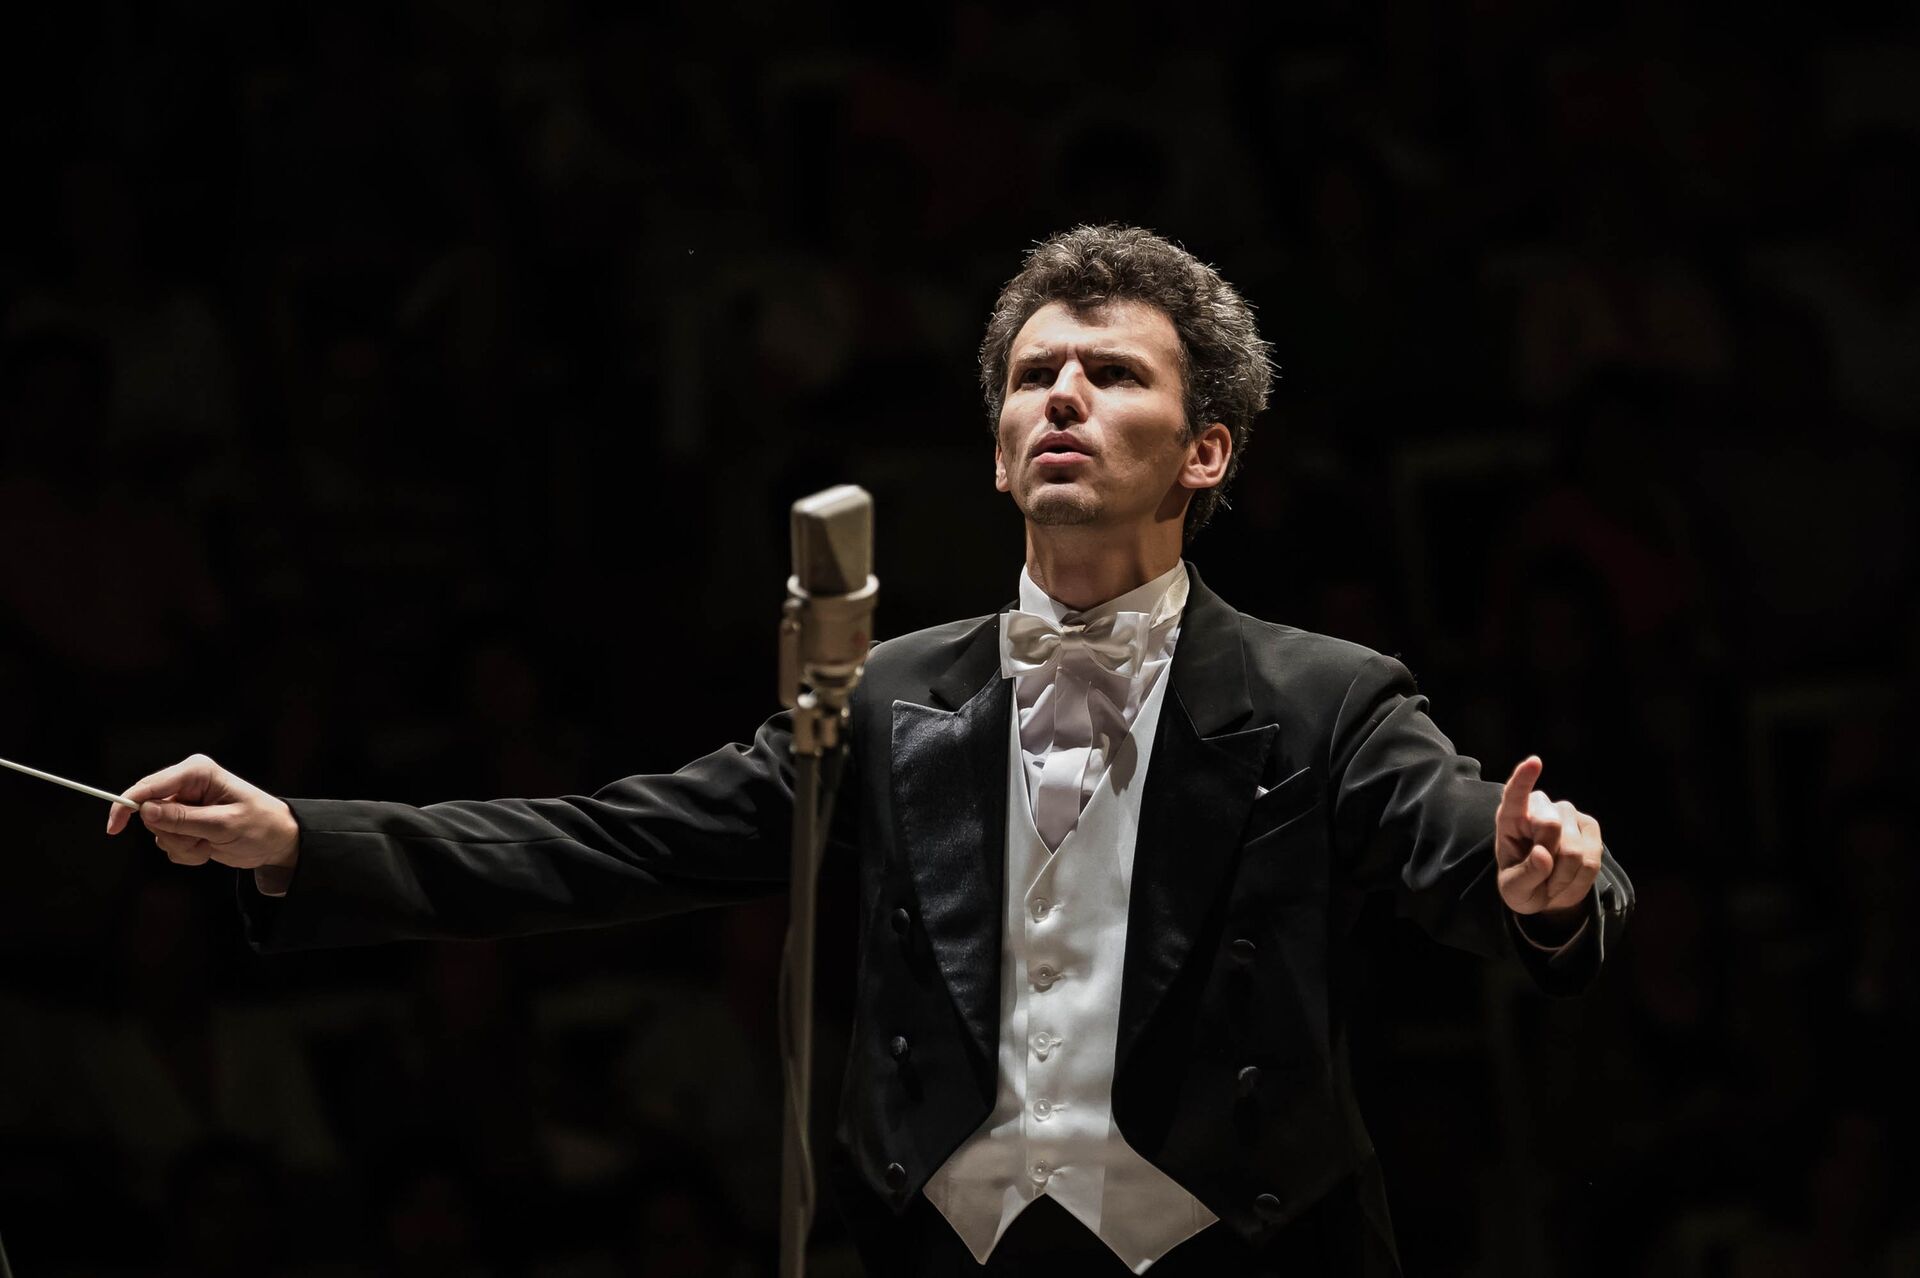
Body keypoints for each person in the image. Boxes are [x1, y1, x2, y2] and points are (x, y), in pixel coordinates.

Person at [106, 224, 1633, 1276]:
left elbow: (1462, 833)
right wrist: (303, 836)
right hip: (941, 1250)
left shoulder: (1323, 694)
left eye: (1113, 374)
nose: (1064, 394)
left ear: (1208, 449)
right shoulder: (892, 697)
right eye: (1034, 375)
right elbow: (615, 839)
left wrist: (1547, 878)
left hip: (1234, 1252)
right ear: (997, 452)